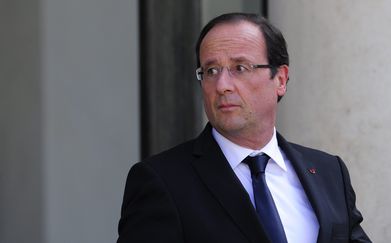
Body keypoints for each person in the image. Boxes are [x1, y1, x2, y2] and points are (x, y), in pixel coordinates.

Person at [117, 13, 371, 243]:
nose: (222, 85)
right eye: (211, 70)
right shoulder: (162, 181)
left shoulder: (329, 172)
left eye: (240, 68)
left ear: (280, 79)